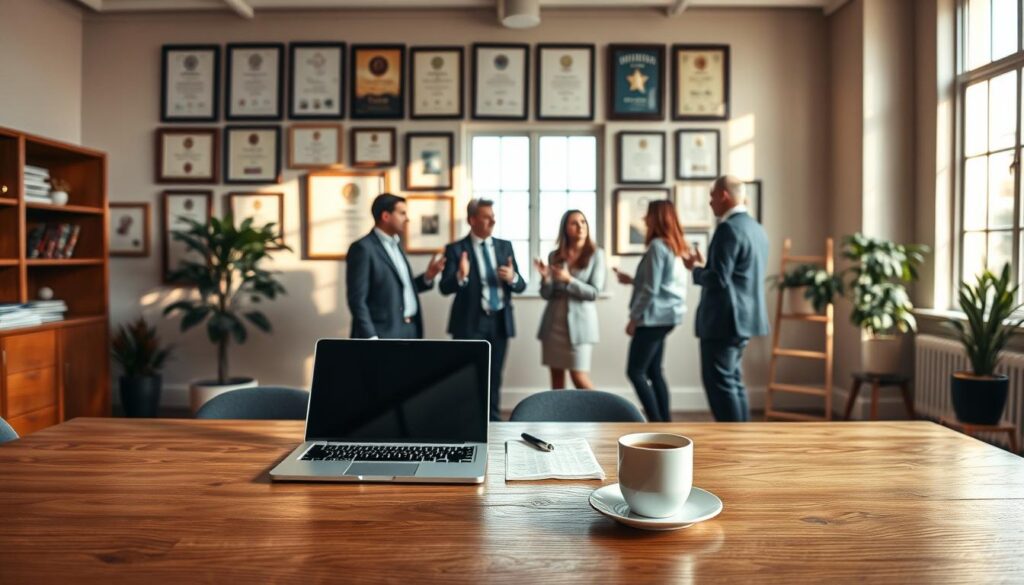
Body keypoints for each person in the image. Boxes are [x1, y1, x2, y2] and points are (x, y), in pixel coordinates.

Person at [684, 175, 770, 422]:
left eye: (711, 196)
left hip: (724, 320)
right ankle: (741, 437)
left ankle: (730, 440)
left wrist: (695, 269)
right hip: (745, 319)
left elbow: (719, 279)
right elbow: (734, 275)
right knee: (733, 380)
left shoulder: (728, 228)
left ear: (723, 195)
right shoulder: (756, 228)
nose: (710, 203)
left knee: (720, 384)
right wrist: (705, 266)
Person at [439, 198, 526, 421]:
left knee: (494, 377)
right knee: (465, 377)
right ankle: (465, 423)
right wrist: (461, 276)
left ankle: (494, 423)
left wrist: (512, 277)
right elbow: (444, 287)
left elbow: (521, 285)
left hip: (499, 322)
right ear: (472, 220)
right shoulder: (456, 249)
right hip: (469, 323)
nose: (493, 220)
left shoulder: (504, 246)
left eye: (493, 216)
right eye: (487, 217)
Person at [613, 200, 689, 422]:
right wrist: (632, 280)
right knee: (654, 371)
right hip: (668, 317)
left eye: (648, 215)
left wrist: (633, 318)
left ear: (657, 218)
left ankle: (657, 421)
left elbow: (651, 289)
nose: (644, 219)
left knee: (635, 371)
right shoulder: (674, 246)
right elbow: (661, 284)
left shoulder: (657, 246)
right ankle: (665, 422)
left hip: (653, 318)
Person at [346, 193, 446, 339]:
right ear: (386, 216)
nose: (407, 219)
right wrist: (370, 338)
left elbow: (398, 290)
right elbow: (357, 300)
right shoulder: (362, 248)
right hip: (381, 335)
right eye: (402, 213)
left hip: (410, 331)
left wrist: (428, 276)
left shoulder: (397, 245)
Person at [535, 210, 606, 390]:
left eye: (583, 221)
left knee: (579, 377)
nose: (580, 226)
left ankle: (603, 414)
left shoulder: (596, 254)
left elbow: (594, 293)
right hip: (554, 324)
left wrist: (570, 280)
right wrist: (546, 279)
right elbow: (547, 294)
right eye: (574, 223)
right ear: (565, 228)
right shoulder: (555, 255)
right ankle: (561, 418)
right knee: (557, 382)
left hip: (580, 326)